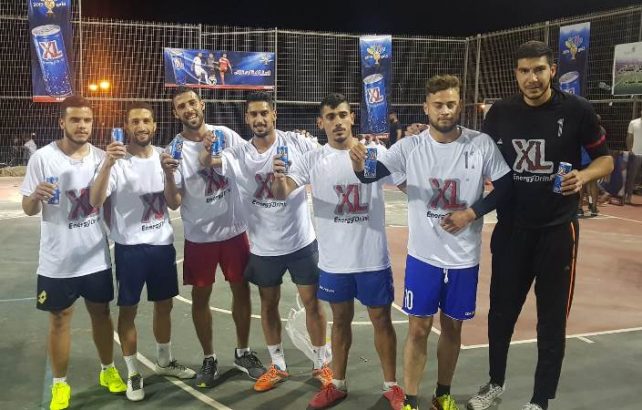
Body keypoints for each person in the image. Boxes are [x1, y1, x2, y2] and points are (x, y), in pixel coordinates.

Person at [350, 75, 512, 410]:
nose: (445, 110)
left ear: (460, 105)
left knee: (452, 329)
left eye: (451, 104)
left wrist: (471, 213)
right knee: (419, 329)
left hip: (464, 258)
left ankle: (442, 395)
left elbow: (507, 186)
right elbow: (370, 174)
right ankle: (410, 399)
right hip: (423, 257)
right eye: (438, 105)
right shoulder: (410, 147)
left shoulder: (480, 144)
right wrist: (359, 164)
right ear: (426, 107)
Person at [466, 41, 613, 410]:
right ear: (515, 74)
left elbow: (606, 160)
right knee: (500, 315)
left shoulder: (577, 110)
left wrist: (583, 176)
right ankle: (494, 384)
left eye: (539, 70)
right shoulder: (500, 113)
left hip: (557, 231)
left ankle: (539, 400)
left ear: (553, 71)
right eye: (524, 70)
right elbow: (480, 162)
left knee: (551, 322)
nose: (532, 78)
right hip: (511, 230)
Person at [272, 93, 406, 409]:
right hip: (335, 262)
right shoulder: (313, 159)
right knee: (340, 321)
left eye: (342, 115)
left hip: (372, 258)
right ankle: (338, 384)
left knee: (381, 321)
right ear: (321, 123)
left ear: (352, 118)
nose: (337, 122)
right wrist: (277, 176)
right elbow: (281, 192)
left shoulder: (373, 153)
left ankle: (392, 386)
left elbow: (405, 184)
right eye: (330, 117)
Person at [200, 91, 329, 392]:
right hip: (263, 246)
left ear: (274, 114)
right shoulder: (238, 154)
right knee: (268, 305)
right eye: (253, 114)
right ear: (247, 119)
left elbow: (326, 158)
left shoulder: (297, 143)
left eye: (264, 113)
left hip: (301, 242)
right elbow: (209, 162)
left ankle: (321, 363)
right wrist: (206, 151)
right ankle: (278, 365)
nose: (259, 119)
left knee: (312, 303)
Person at [20, 96, 127, 410]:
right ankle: (59, 385)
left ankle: (108, 370)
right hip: (57, 260)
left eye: (87, 120)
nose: (82, 126)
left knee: (102, 314)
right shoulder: (42, 158)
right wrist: (35, 196)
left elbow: (101, 202)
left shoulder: (102, 158)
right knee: (59, 320)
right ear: (62, 123)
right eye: (75, 120)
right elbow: (28, 209)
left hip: (94, 257)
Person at [89, 102, 196, 401]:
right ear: (127, 126)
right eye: (135, 121)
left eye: (146, 120)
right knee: (129, 310)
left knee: (165, 305)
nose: (141, 126)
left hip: (161, 246)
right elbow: (96, 201)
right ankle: (133, 372)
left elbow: (173, 203)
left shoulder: (164, 156)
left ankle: (164, 361)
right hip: (130, 248)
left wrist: (169, 175)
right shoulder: (117, 161)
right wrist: (107, 164)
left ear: (154, 125)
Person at [161, 87, 266, 388]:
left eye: (192, 102)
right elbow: (173, 203)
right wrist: (167, 174)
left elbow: (251, 161)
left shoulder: (225, 134)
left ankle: (243, 352)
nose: (188, 109)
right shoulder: (174, 150)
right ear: (176, 113)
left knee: (241, 291)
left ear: (202, 104)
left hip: (234, 231)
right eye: (182, 106)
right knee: (200, 297)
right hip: (200, 236)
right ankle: (209, 357)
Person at [625, 107, 642, 204]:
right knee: (632, 176)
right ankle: (628, 197)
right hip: (635, 153)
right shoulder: (633, 123)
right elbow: (629, 137)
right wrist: (629, 150)